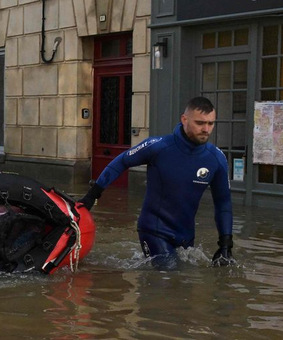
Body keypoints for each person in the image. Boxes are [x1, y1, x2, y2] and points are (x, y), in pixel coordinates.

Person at [78, 96, 234, 269]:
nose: (206, 129)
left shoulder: (216, 158)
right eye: (200, 123)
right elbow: (121, 161)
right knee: (168, 274)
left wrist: (225, 244)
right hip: (153, 229)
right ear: (184, 120)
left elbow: (223, 202)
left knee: (185, 279)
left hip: (185, 235)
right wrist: (93, 195)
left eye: (210, 123)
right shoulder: (158, 146)